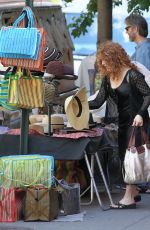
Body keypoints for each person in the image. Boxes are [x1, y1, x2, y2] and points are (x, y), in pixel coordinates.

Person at [88, 41, 150, 209]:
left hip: (137, 122)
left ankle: (129, 197)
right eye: (101, 61)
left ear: (114, 58)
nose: (102, 64)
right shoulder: (108, 79)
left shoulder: (133, 75)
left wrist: (140, 114)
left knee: (130, 160)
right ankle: (134, 192)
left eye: (105, 60)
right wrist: (78, 105)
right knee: (124, 156)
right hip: (122, 122)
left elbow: (147, 95)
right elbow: (99, 101)